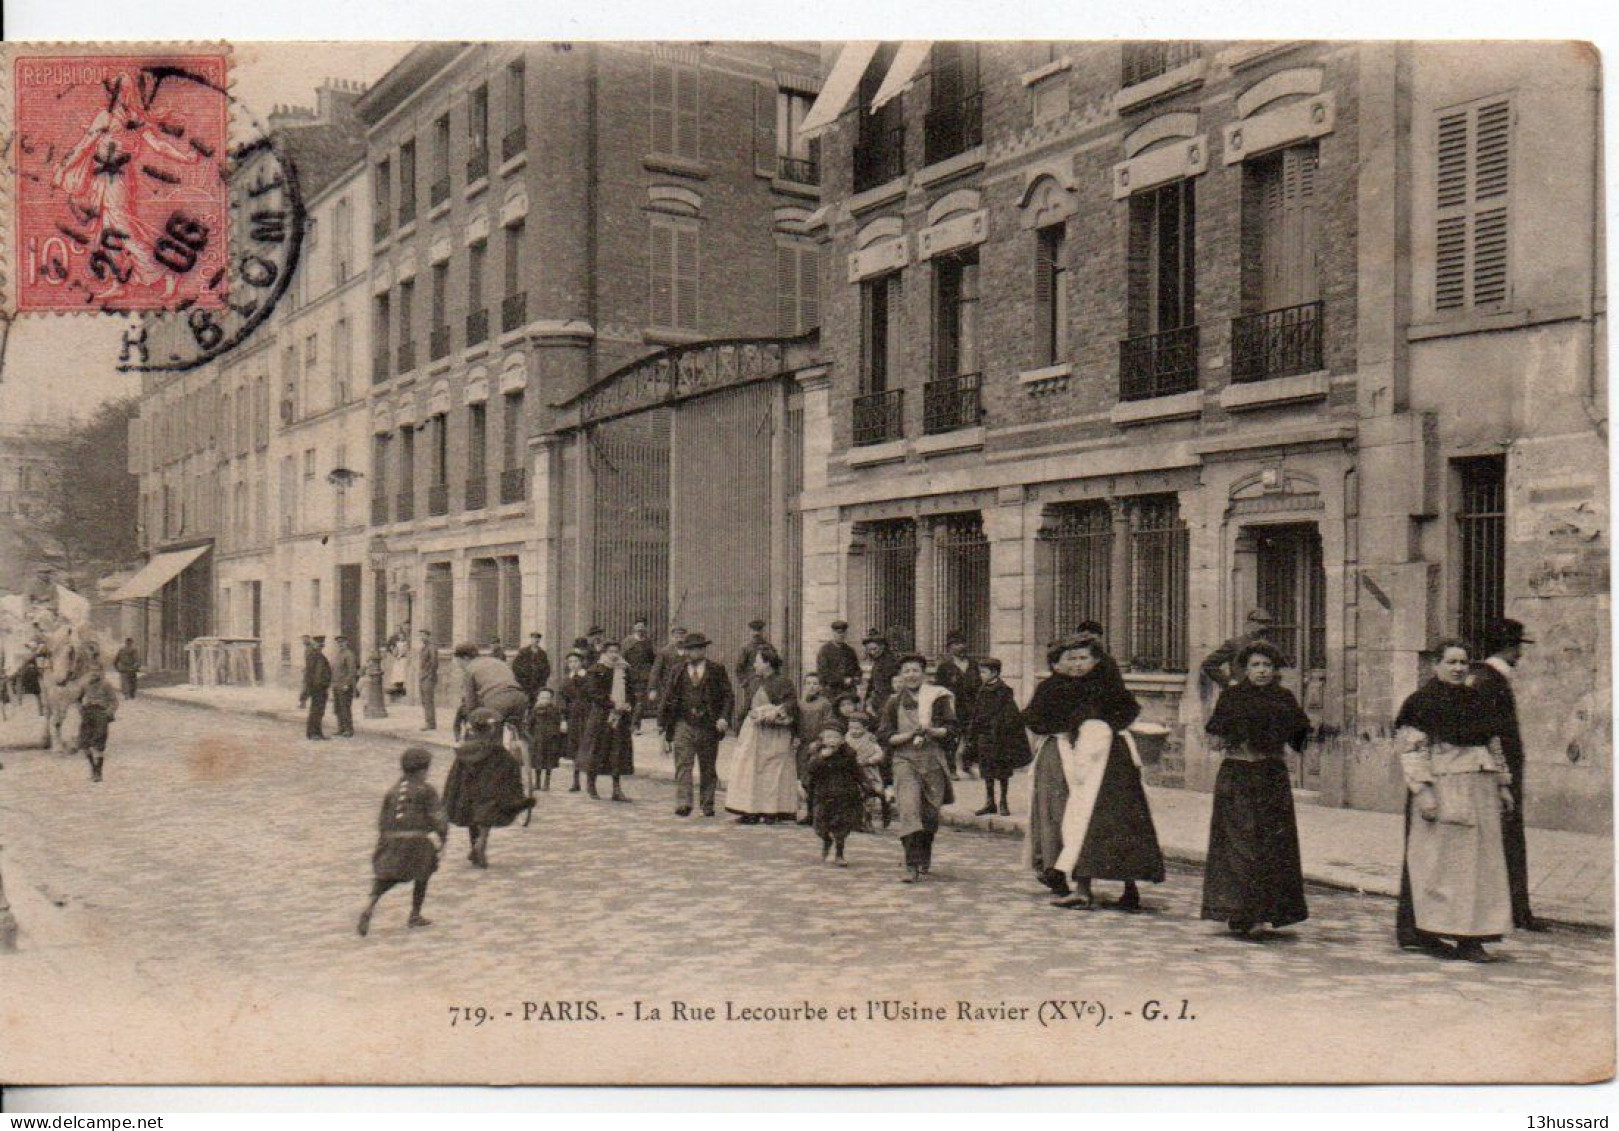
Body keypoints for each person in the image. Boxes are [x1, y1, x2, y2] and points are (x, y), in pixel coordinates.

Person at [1394, 638, 1515, 962]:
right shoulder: (1421, 702)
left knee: (1480, 867)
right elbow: (1412, 749)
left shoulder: (1477, 700)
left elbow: (1494, 744)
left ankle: (1473, 934)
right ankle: (1446, 934)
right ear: (1436, 665)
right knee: (1444, 868)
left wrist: (1503, 785)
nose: (1459, 668)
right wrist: (1423, 791)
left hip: (1481, 791)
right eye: (1452, 662)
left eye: (1463, 662)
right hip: (1445, 791)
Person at [1023, 636, 1164, 910]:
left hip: (1114, 763)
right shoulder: (1064, 687)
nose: (1078, 665)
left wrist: (1101, 727)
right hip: (1084, 763)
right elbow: (1046, 719)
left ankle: (1129, 887)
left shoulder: (1109, 685)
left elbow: (1127, 711)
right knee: (1082, 819)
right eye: (1073, 659)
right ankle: (1083, 889)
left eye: (1084, 658)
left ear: (1097, 660)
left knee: (1121, 822)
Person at [1200, 641, 1313, 938]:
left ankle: (1264, 912)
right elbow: (1214, 736)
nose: (1262, 671)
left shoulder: (1284, 699)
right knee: (1239, 844)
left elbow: (1299, 740)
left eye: (1267, 666)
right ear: (1245, 669)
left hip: (1271, 777)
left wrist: (1302, 732)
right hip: (1237, 776)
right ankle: (1239, 910)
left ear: (1275, 670)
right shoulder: (1232, 698)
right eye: (1255, 666)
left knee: (1271, 845)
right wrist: (1225, 738)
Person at [1469, 618, 1543, 931]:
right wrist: (1504, 778)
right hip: (1502, 774)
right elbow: (1492, 735)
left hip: (1502, 772)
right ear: (1509, 648)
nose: (1520, 656)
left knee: (1506, 838)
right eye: (1517, 648)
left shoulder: (1487, 679)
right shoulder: (1492, 681)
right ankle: (1515, 910)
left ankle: (1514, 908)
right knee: (1508, 838)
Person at [877, 654, 956, 883]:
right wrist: (906, 736)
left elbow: (951, 729)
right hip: (905, 759)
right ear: (901, 675)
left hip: (933, 759)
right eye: (906, 671)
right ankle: (911, 863)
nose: (911, 675)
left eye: (915, 670)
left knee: (930, 814)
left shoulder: (938, 698)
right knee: (909, 810)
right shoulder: (894, 702)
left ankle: (924, 853)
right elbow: (884, 735)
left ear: (924, 673)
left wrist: (933, 731)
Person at [358, 747, 447, 936]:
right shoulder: (427, 790)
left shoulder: (392, 791)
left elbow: (383, 821)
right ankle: (415, 914)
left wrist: (383, 844)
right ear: (422, 771)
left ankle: (370, 903)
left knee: (386, 879)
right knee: (423, 873)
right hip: (417, 842)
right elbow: (438, 817)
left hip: (392, 842)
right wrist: (442, 837)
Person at [443, 708, 533, 869]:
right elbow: (511, 768)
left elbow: (455, 776)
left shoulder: (465, 750)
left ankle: (474, 847)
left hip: (469, 791)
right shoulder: (498, 752)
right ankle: (481, 843)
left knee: (472, 818)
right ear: (491, 729)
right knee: (486, 818)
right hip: (490, 791)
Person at [658, 631, 734, 818]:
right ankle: (684, 803)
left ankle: (707, 804)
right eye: (689, 649)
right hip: (683, 723)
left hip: (708, 725)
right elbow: (667, 698)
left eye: (696, 649)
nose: (692, 653)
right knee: (683, 764)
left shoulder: (716, 670)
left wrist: (723, 718)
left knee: (708, 766)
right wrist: (663, 727)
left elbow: (728, 696)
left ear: (703, 650)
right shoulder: (677, 671)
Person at [725, 647, 801, 824]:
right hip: (753, 733)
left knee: (771, 773)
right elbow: (748, 705)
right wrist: (739, 723)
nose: (754, 664)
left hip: (774, 734)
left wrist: (774, 712)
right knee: (749, 771)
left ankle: (770, 811)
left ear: (767, 663)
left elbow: (791, 705)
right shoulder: (754, 682)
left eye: (757, 661)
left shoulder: (783, 682)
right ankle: (750, 810)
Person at [965, 657, 1032, 816]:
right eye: (980, 671)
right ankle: (990, 802)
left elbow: (1009, 714)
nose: (981, 675)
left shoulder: (1004, 690)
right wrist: (973, 732)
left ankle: (1003, 801)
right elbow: (977, 713)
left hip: (1000, 737)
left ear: (994, 672)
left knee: (1002, 771)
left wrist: (1001, 728)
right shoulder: (981, 690)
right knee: (986, 769)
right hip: (984, 736)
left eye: (984, 672)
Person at [807, 717, 866, 867]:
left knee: (842, 825)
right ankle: (826, 839)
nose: (832, 740)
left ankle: (839, 852)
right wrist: (821, 757)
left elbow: (857, 772)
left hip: (844, 794)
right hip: (822, 794)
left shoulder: (849, 754)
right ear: (822, 738)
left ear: (842, 739)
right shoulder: (816, 752)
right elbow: (810, 769)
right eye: (828, 737)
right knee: (819, 825)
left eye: (836, 737)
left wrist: (866, 785)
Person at [453, 641, 529, 738]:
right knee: (519, 732)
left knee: (490, 734)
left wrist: (470, 718)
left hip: (498, 701)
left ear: (465, 658)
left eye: (459, 661)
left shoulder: (470, 669)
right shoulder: (496, 661)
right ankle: (525, 748)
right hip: (520, 697)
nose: (459, 665)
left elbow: (470, 702)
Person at [933, 630, 981, 779]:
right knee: (952, 738)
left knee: (971, 736)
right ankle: (953, 768)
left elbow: (979, 685)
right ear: (949, 647)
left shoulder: (973, 664)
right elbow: (939, 689)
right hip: (952, 706)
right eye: (956, 644)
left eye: (962, 643)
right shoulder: (944, 667)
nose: (961, 647)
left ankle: (969, 765)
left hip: (971, 706)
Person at [1200, 608, 1280, 690]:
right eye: (1259, 622)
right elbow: (1209, 664)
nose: (1263, 626)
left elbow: (1277, 670)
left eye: (1266, 623)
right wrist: (1228, 682)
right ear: (1249, 623)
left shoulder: (1270, 646)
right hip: (1241, 693)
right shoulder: (1235, 644)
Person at [795, 673, 834, 826]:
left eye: (815, 683)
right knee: (805, 780)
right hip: (803, 746)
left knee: (818, 780)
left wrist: (819, 741)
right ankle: (809, 814)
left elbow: (828, 724)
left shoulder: (824, 704)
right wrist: (796, 737)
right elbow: (796, 723)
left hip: (818, 746)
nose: (812, 686)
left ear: (820, 687)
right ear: (804, 686)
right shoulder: (799, 704)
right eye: (809, 683)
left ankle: (821, 815)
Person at [845, 710, 889, 831]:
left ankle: (868, 818)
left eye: (858, 728)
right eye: (851, 728)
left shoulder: (870, 739)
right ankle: (853, 820)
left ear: (865, 727)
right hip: (852, 772)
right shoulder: (846, 738)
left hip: (868, 772)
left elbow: (879, 754)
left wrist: (870, 760)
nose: (854, 731)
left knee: (870, 794)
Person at [77, 668, 119, 782]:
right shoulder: (85, 684)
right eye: (92, 672)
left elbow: (114, 701)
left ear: (101, 673)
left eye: (97, 672)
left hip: (101, 713)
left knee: (99, 743)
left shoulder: (106, 685)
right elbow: (77, 698)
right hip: (87, 713)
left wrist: (108, 713)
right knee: (84, 743)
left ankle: (98, 772)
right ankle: (92, 768)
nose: (94, 674)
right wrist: (81, 709)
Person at [560, 651, 592, 792]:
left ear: (581, 662)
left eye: (576, 661)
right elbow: (563, 702)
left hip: (588, 715)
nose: (573, 664)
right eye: (570, 662)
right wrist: (563, 720)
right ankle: (576, 781)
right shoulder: (566, 680)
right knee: (575, 749)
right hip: (573, 716)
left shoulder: (589, 677)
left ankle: (591, 782)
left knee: (589, 747)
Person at [734, 619, 775, 727]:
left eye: (759, 630)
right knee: (748, 705)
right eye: (754, 630)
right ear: (750, 631)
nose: (757, 633)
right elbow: (739, 667)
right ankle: (740, 730)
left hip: (767, 681)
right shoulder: (746, 647)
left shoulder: (769, 647)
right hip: (752, 681)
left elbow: (775, 663)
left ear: (763, 631)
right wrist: (744, 682)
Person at [526, 686, 564, 794]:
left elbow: (558, 722)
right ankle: (537, 782)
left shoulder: (554, 710)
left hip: (551, 738)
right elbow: (529, 724)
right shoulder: (534, 710)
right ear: (538, 698)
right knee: (538, 760)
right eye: (542, 697)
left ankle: (546, 782)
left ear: (551, 699)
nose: (545, 700)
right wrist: (530, 736)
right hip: (538, 738)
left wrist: (555, 733)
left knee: (549, 761)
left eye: (547, 698)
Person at [622, 618, 657, 727]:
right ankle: (629, 724)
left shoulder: (648, 642)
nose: (640, 630)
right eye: (638, 627)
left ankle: (635, 725)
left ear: (645, 629)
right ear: (634, 628)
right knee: (631, 700)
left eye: (642, 627)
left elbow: (652, 658)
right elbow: (622, 658)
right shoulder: (627, 642)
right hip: (629, 675)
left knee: (640, 701)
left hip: (643, 676)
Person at [647, 626, 687, 721]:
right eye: (677, 637)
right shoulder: (664, 652)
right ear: (672, 637)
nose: (679, 639)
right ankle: (662, 725)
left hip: (685, 684)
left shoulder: (689, 651)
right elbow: (655, 671)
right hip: (668, 684)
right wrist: (652, 688)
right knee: (665, 705)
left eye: (681, 636)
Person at [815, 620, 862, 699]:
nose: (841, 635)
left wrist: (856, 678)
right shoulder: (825, 650)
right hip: (831, 691)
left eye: (844, 633)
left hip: (848, 691)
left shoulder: (850, 651)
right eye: (838, 632)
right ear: (833, 633)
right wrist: (842, 680)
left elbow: (857, 669)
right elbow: (823, 673)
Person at [862, 631, 902, 722]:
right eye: (869, 650)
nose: (872, 652)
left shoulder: (890, 662)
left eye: (874, 649)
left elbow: (894, 685)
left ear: (882, 647)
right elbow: (871, 683)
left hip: (887, 701)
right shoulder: (878, 661)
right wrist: (867, 701)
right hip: (877, 700)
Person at [303, 635, 332, 740]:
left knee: (319, 711)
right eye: (318, 644)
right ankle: (313, 733)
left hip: (321, 687)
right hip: (317, 687)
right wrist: (310, 687)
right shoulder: (313, 655)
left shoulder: (319, 655)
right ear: (314, 644)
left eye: (321, 645)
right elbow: (310, 672)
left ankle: (317, 733)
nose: (320, 646)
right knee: (316, 710)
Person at [512, 632, 552, 708]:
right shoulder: (523, 652)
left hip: (538, 684)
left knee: (536, 702)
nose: (535, 640)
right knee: (525, 702)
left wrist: (542, 681)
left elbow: (547, 669)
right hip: (525, 683)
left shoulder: (542, 653)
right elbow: (516, 666)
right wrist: (521, 679)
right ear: (531, 639)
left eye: (537, 638)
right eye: (534, 638)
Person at [331, 635, 358, 738]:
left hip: (345, 686)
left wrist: (347, 684)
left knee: (345, 708)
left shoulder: (349, 654)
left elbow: (352, 671)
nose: (340, 644)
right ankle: (341, 728)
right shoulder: (337, 655)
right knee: (338, 708)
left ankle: (348, 729)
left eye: (342, 642)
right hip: (337, 685)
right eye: (338, 643)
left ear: (346, 642)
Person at [417, 630, 439, 730]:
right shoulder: (423, 648)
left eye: (423, 636)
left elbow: (434, 662)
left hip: (428, 677)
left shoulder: (431, 647)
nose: (421, 638)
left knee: (428, 700)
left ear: (428, 636)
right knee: (424, 700)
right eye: (420, 636)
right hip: (423, 676)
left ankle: (430, 723)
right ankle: (428, 721)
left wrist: (430, 675)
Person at [297, 635, 314, 708]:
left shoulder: (311, 648)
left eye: (304, 640)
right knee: (306, 686)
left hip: (311, 671)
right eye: (302, 640)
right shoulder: (307, 648)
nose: (303, 641)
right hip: (308, 670)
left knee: (306, 687)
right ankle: (302, 702)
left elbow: (312, 660)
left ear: (308, 639)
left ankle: (303, 702)